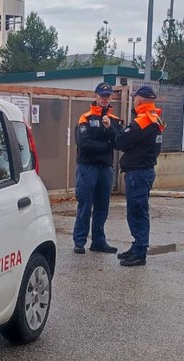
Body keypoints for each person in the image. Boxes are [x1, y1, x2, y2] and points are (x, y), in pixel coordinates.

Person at [104, 85, 165, 267]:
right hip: (144, 170)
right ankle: (137, 246)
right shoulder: (156, 118)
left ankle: (140, 252)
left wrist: (111, 129)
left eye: (135, 98)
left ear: (140, 100)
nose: (134, 100)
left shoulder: (143, 120)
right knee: (138, 211)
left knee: (137, 213)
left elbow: (121, 142)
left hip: (138, 172)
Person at [72, 82, 122, 255]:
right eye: (101, 95)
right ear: (95, 96)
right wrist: (105, 145)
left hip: (105, 168)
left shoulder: (114, 120)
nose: (104, 99)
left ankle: (99, 242)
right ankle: (79, 241)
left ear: (111, 98)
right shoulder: (85, 118)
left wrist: (109, 130)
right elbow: (84, 144)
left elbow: (118, 143)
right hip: (88, 167)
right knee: (85, 206)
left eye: (107, 96)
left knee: (102, 207)